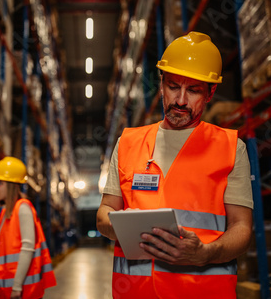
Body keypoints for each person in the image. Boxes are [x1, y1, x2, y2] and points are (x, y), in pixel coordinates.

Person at [96, 32, 254, 299]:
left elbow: (242, 228)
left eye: (193, 90)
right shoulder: (128, 142)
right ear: (161, 85)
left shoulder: (230, 147)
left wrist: (205, 254)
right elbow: (105, 212)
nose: (180, 100)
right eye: (173, 87)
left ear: (210, 93)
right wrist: (123, 229)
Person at [0, 156, 56, 299]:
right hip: (7, 288)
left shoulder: (22, 208)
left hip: (21, 290)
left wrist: (17, 287)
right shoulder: (5, 212)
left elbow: (27, 248)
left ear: (12, 185)